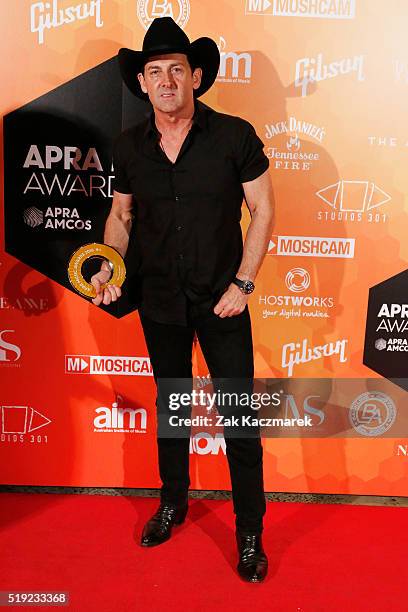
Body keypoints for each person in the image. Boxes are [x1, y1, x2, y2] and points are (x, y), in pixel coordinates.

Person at [91, 17, 274, 583]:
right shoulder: (129, 146)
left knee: (239, 419)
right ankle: (172, 504)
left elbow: (263, 211)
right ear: (142, 83)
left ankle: (249, 533)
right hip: (161, 301)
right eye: (155, 71)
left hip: (223, 301)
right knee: (172, 412)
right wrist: (107, 264)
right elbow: (121, 217)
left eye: (176, 69)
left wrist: (243, 284)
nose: (166, 80)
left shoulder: (234, 136)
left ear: (195, 76)